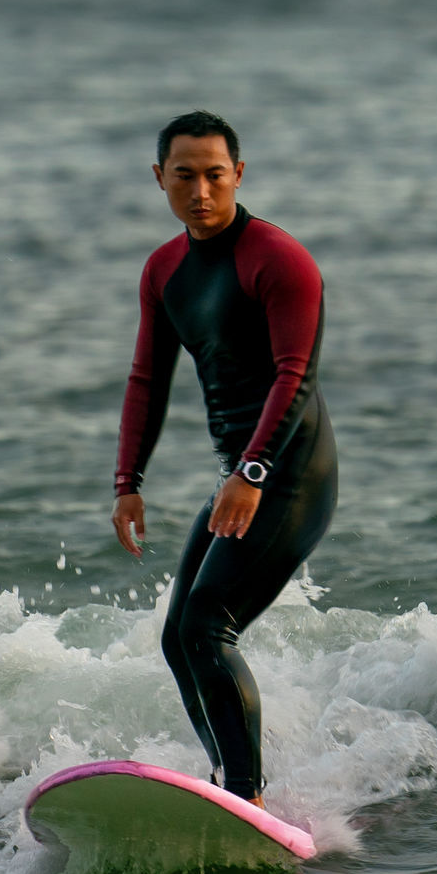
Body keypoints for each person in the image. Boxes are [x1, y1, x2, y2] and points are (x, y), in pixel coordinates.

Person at [110, 112, 338, 809]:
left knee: (210, 625)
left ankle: (248, 794)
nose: (201, 190)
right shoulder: (165, 269)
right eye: (185, 175)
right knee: (180, 639)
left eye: (215, 174)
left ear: (239, 173)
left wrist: (253, 473)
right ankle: (230, 784)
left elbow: (292, 375)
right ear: (160, 179)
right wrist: (128, 483)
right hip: (238, 473)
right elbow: (148, 379)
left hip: (290, 474)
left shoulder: (279, 259)